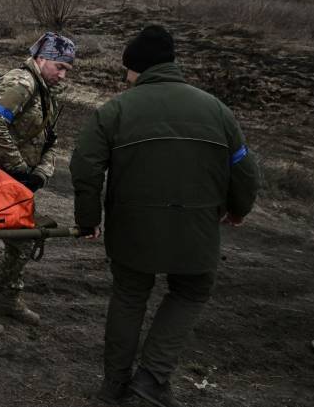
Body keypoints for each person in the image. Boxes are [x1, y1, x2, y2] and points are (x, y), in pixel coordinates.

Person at [69, 25, 258, 407]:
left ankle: (114, 387)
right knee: (191, 291)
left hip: (132, 229)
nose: (126, 78)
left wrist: (89, 219)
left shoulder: (116, 109)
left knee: (129, 296)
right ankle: (151, 379)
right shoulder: (217, 110)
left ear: (137, 69)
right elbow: (244, 168)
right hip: (198, 229)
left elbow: (85, 165)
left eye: (128, 70)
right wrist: (238, 210)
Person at [0, 32, 75, 335]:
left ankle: (7, 295)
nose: (62, 74)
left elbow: (48, 140)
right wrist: (20, 170)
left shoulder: (45, 91)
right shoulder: (21, 84)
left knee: (26, 237)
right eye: (59, 66)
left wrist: (40, 174)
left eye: (67, 69)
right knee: (22, 241)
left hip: (16, 182)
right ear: (41, 59)